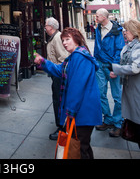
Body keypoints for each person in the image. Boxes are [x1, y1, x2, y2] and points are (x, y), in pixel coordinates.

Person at [35, 27, 102, 159]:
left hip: (83, 113)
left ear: (76, 39)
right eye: (63, 40)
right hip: (82, 112)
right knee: (83, 146)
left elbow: (77, 88)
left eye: (67, 39)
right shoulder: (74, 56)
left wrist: (70, 113)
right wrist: (43, 62)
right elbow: (60, 70)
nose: (64, 43)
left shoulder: (79, 57)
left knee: (79, 148)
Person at [94, 8, 125, 137]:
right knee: (100, 93)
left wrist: (115, 68)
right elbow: (97, 46)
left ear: (104, 17)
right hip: (100, 65)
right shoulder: (98, 29)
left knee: (117, 96)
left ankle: (118, 123)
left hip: (111, 66)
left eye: (97, 16)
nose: (95, 18)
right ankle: (107, 119)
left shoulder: (116, 31)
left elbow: (119, 50)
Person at [109, 18, 140, 146]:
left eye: (126, 30)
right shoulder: (131, 45)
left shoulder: (137, 46)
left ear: (133, 31)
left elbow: (135, 67)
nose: (124, 32)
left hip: (136, 90)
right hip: (131, 89)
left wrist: (116, 68)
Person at [44, 17, 69, 140]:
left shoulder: (57, 38)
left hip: (59, 75)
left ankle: (62, 127)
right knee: (58, 99)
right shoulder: (54, 37)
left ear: (51, 27)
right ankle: (61, 125)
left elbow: (63, 57)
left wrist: (57, 71)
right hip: (57, 74)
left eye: (46, 25)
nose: (44, 27)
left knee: (58, 100)